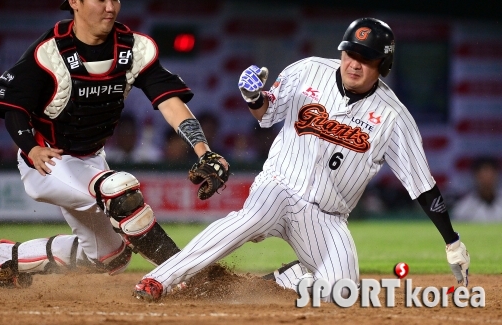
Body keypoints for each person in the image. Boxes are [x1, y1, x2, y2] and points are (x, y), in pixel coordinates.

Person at [133, 17, 471, 301]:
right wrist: (253, 98)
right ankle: (159, 279)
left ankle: (285, 279)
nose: (353, 63)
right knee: (248, 219)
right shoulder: (308, 70)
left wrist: (452, 242)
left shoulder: (394, 117)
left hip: (325, 215)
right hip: (279, 187)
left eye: (365, 58)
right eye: (349, 53)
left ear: (383, 65)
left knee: (343, 290)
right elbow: (267, 113)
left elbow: (423, 186)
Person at [0, 0, 227, 288]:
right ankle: (185, 275)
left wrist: (203, 151)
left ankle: (5, 258)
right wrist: (31, 147)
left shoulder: (132, 48)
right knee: (119, 191)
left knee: (111, 257)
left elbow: (169, 102)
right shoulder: (49, 51)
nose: (111, 7)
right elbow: (13, 107)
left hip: (91, 160)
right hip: (49, 161)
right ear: (74, 2)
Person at [451, 156, 502, 222]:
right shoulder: (463, 208)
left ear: (496, 175)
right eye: (483, 175)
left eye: (490, 174)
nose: (487, 179)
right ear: (475, 176)